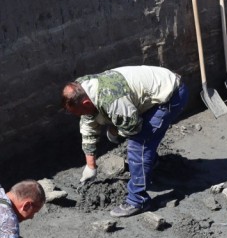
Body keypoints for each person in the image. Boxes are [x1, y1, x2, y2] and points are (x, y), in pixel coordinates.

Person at [61, 65, 188, 217]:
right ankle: (151, 165)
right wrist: (91, 165)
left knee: (138, 145)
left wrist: (114, 131)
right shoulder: (82, 89)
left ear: (86, 103)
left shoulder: (111, 100)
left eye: (79, 112)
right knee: (139, 140)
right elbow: (88, 124)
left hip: (171, 95)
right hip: (151, 91)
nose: (79, 116)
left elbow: (133, 127)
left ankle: (138, 200)